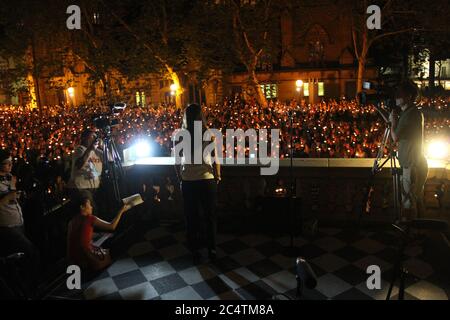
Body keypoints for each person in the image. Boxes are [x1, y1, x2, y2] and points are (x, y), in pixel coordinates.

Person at [174, 104, 221, 263]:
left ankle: (195, 251)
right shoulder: (208, 134)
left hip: (188, 181)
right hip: (206, 179)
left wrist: (180, 177)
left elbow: (176, 161)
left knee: (191, 217)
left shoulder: (180, 135)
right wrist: (218, 176)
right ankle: (212, 250)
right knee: (210, 217)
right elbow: (215, 159)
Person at [0, 149, 40, 295]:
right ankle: (32, 288)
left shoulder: (10, 177)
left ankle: (22, 289)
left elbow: (12, 198)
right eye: (6, 163)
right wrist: (9, 195)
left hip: (18, 222)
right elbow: (5, 199)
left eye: (11, 162)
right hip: (6, 226)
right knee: (32, 253)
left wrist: (17, 194)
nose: (10, 165)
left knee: (18, 260)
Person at [389, 81, 428, 220]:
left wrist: (393, 122)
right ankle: (417, 231)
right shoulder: (410, 113)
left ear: (409, 96)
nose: (396, 97)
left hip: (411, 164)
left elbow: (395, 137)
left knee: (408, 202)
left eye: (400, 94)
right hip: (411, 162)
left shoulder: (410, 114)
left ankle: (408, 234)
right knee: (412, 199)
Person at [66, 191, 130, 273]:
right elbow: (112, 226)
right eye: (89, 204)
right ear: (82, 207)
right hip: (88, 259)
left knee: (105, 237)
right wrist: (121, 211)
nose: (91, 207)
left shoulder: (71, 222)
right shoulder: (90, 218)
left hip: (75, 260)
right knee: (116, 240)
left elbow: (74, 240)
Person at [67, 129, 103, 208]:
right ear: (84, 138)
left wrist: (103, 146)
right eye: (92, 137)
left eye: (95, 137)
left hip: (93, 188)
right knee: (91, 212)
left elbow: (111, 159)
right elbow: (79, 165)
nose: (94, 139)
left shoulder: (97, 151)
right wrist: (90, 149)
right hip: (81, 188)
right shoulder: (79, 150)